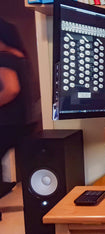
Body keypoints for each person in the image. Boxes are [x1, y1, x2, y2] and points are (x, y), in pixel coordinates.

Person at [0, 18, 40, 199]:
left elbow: (11, 89)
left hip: (8, 123)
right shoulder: (21, 56)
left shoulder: (4, 58)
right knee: (30, 165)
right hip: (26, 121)